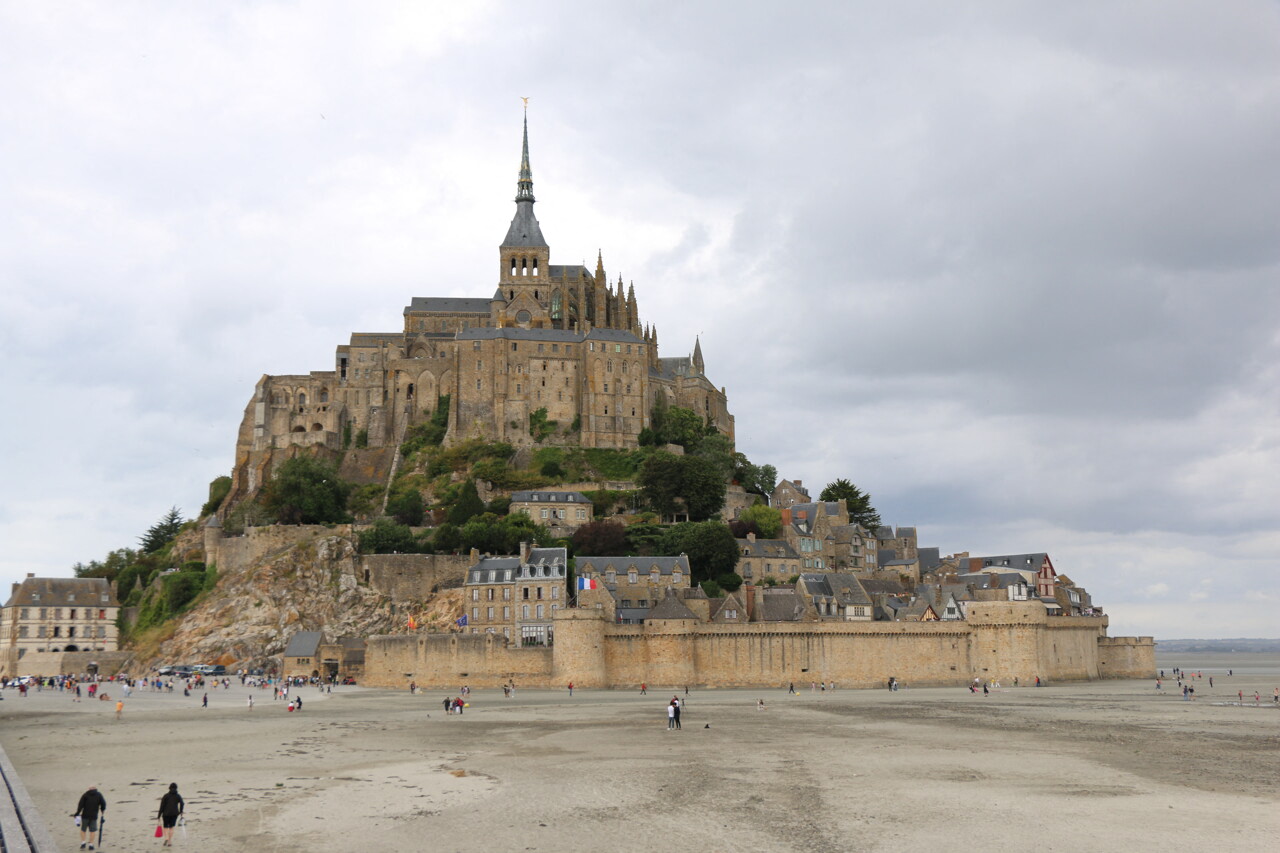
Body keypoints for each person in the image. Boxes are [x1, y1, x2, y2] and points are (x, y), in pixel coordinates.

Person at [72, 785, 106, 850]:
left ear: (89, 789)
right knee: (92, 831)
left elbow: (80, 805)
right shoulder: (99, 795)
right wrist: (102, 809)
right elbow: (103, 803)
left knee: (83, 830)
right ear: (96, 788)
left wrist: (77, 813)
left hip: (85, 815)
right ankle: (91, 844)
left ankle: (83, 843)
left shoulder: (85, 795)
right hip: (94, 816)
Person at [157, 782, 184, 847]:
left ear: (169, 788)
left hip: (166, 814)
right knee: (171, 827)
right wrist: (181, 811)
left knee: (165, 827)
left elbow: (162, 806)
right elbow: (182, 803)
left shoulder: (166, 796)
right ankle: (169, 841)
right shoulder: (178, 796)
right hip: (174, 814)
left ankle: (166, 838)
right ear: (176, 788)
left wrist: (159, 815)